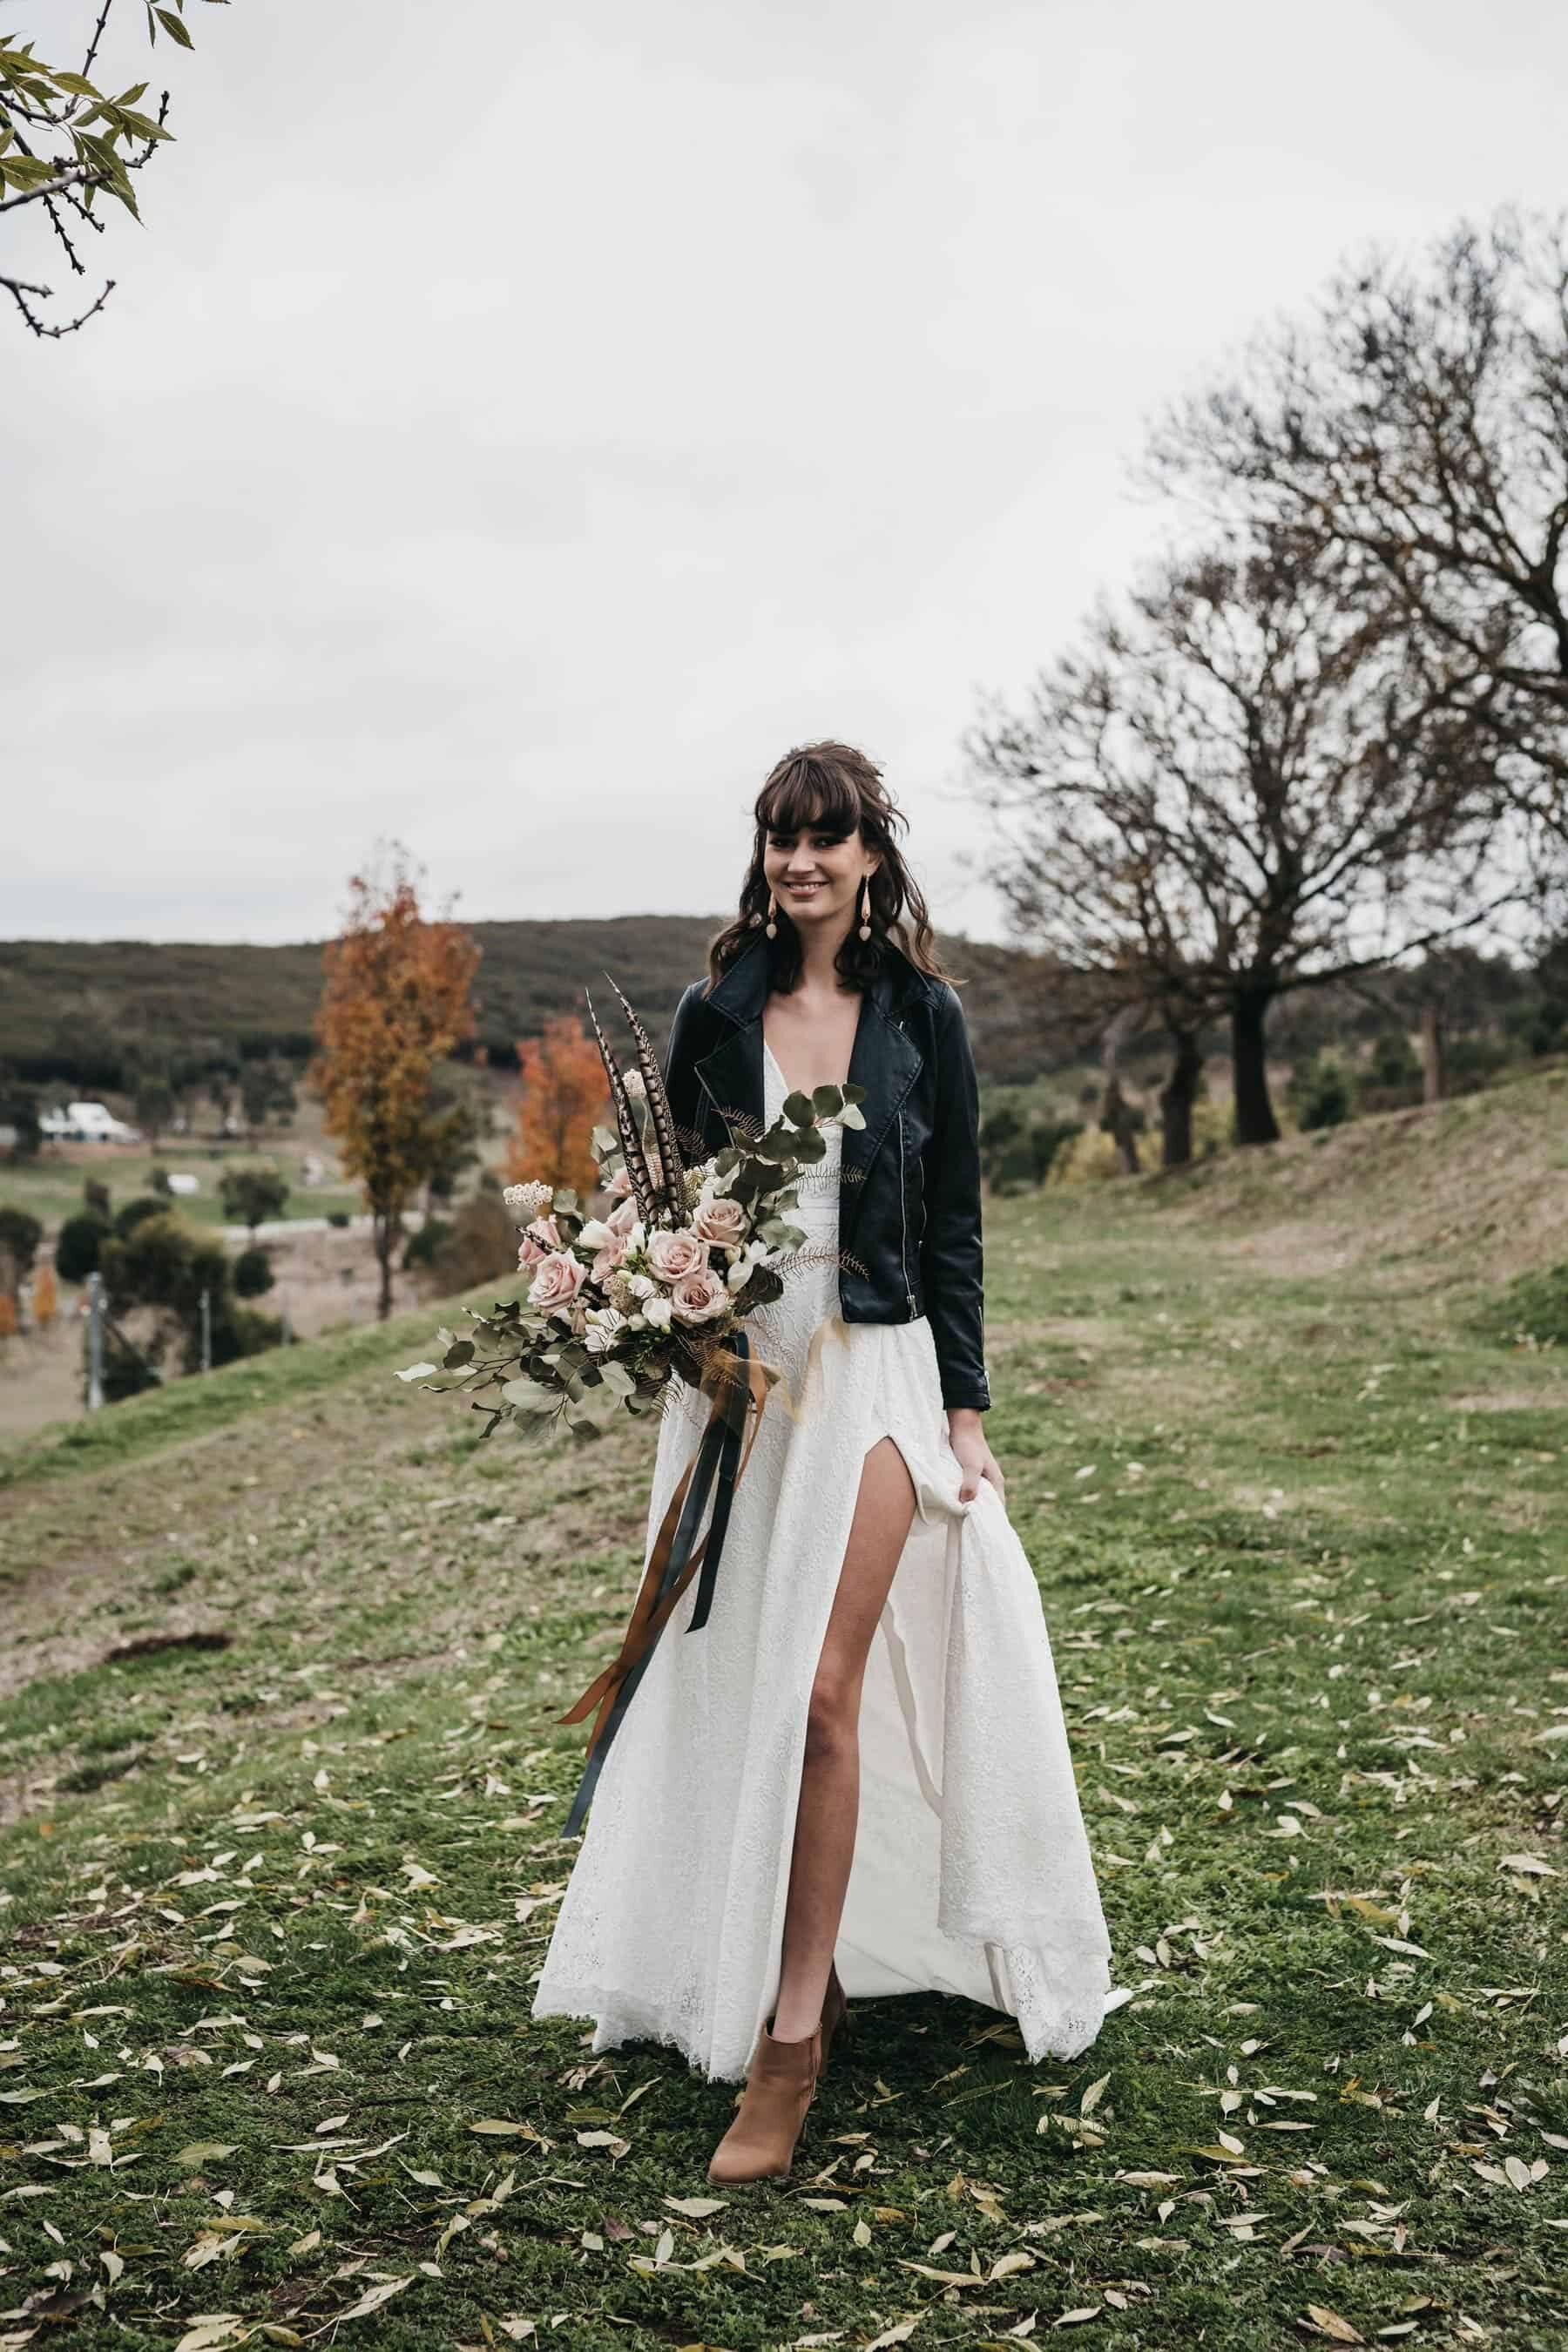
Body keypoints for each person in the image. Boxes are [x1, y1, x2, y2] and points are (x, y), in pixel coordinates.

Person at [531, 741, 1113, 2183]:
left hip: (879, 1369)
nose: (803, 861)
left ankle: (792, 2045)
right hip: (746, 1382)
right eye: (782, 838)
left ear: (869, 855)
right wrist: (658, 1320)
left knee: (826, 1689)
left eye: (829, 837)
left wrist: (966, 1412)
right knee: (749, 1686)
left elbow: (959, 1226)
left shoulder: (926, 1017)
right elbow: (658, 1197)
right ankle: (807, 1970)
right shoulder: (711, 1011)